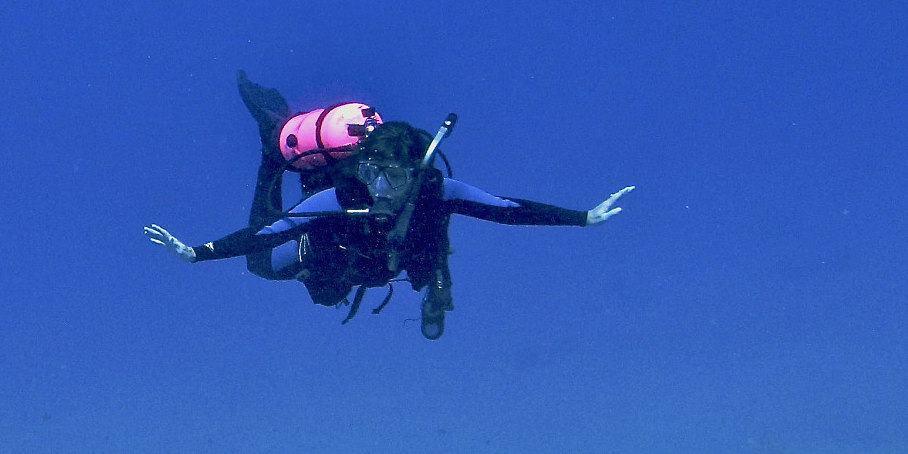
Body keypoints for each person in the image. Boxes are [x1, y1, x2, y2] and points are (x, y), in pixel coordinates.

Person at [145, 74, 632, 338]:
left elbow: (507, 209)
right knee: (259, 264)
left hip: (374, 266)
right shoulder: (346, 193)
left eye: (393, 176)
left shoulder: (436, 190)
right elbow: (269, 234)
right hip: (329, 259)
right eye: (372, 171)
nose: (379, 185)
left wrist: (584, 217)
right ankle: (271, 155)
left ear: (415, 174)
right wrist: (196, 252)